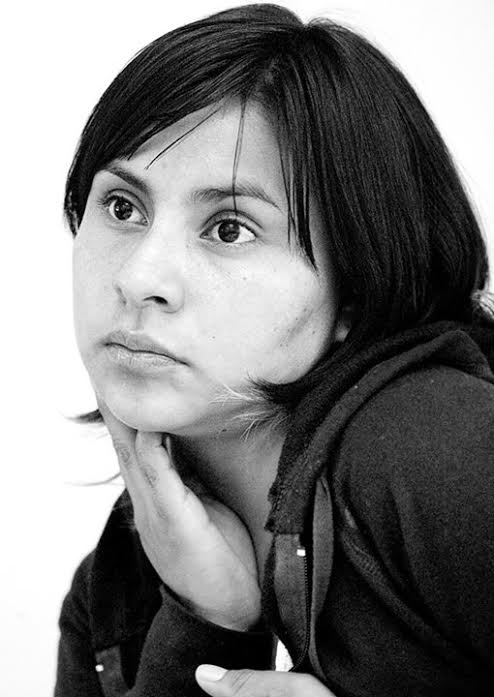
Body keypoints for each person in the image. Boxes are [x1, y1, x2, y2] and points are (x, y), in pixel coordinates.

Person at [55, 4, 494, 696]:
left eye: (229, 228)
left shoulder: (440, 445)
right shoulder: (111, 593)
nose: (138, 277)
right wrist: (205, 619)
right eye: (122, 208)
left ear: (355, 288)